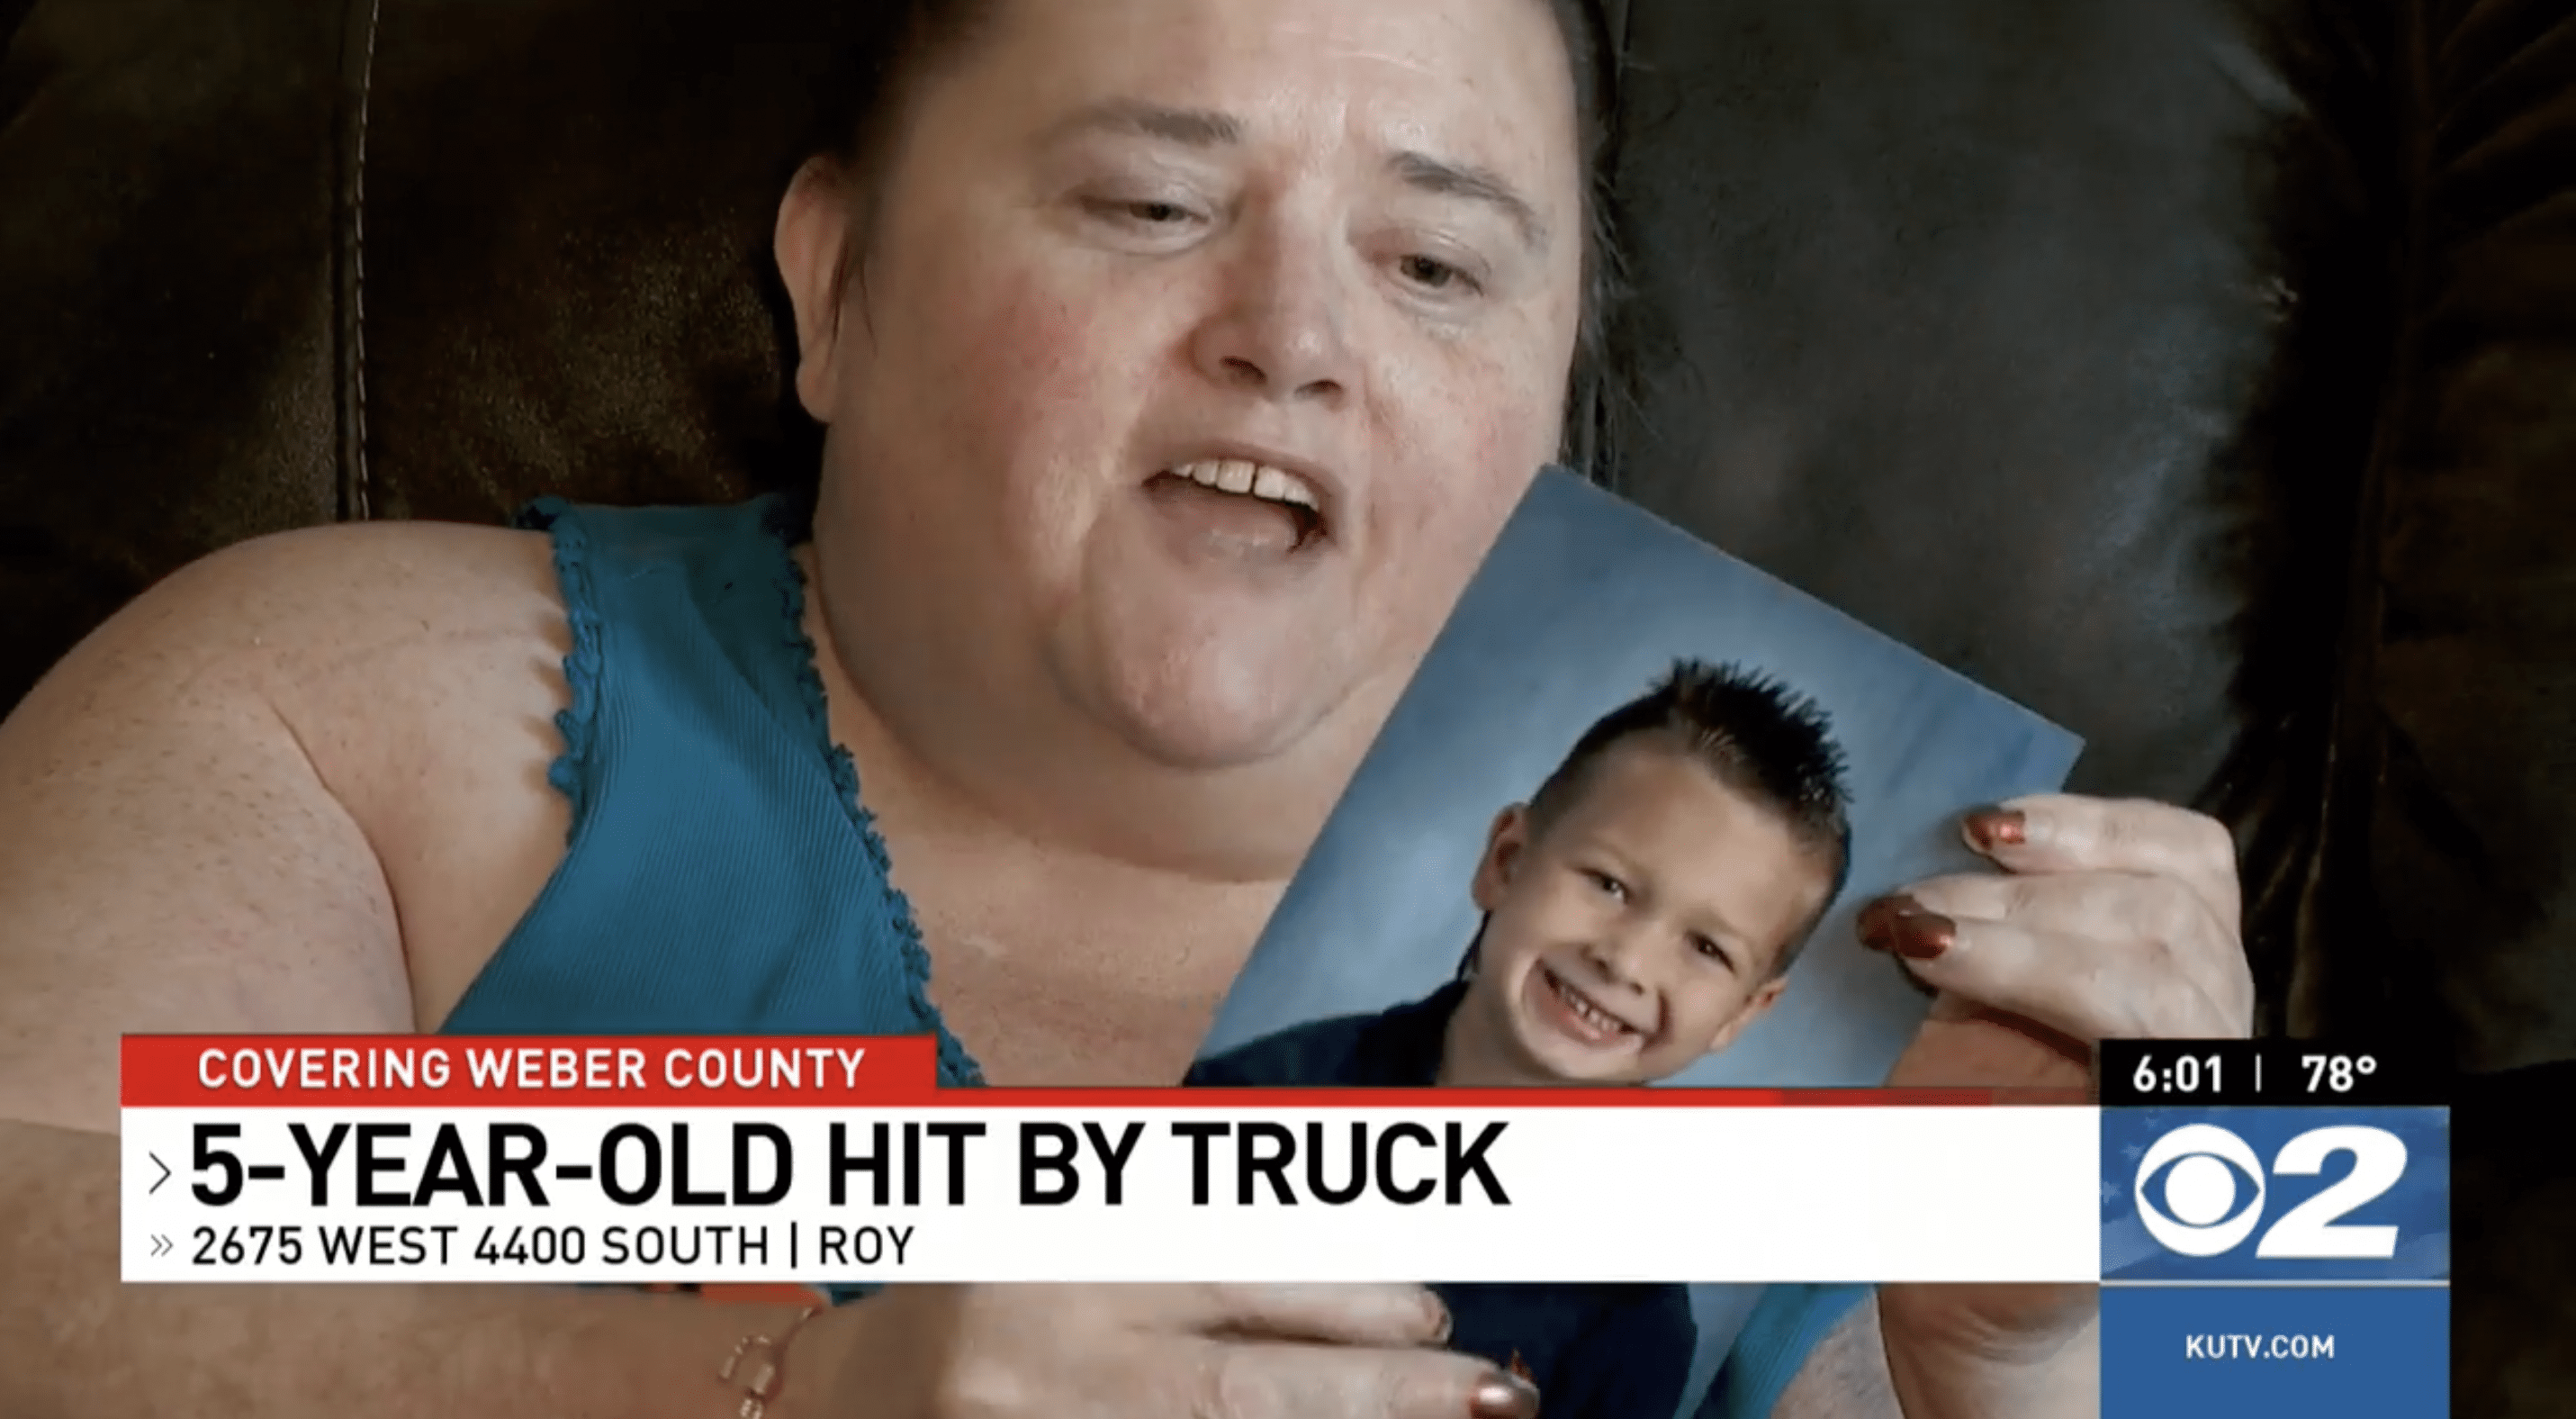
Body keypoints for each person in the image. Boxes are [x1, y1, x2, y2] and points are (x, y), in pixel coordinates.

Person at [0, 0, 2253, 1415]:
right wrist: (768, 1374)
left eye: (1437, 264)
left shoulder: (2002, 951)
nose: (1293, 334)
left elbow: (2346, 1362)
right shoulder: (322, 695)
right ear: (835, 278)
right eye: (1152, 199)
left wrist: (2061, 1349)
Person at [1185, 660, 1859, 1419]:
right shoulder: (1242, 1109)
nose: (1626, 960)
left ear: (1744, 1012)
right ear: (1507, 862)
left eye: (1706, 948)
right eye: (1608, 883)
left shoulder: (1632, 1326)